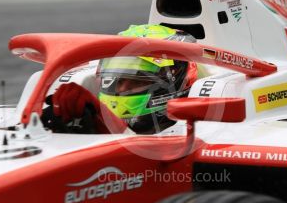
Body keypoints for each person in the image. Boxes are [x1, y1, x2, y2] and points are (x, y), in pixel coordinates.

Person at [51, 24, 198, 134]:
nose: (120, 90)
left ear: (175, 81)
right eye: (118, 80)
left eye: (137, 81)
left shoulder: (200, 134)